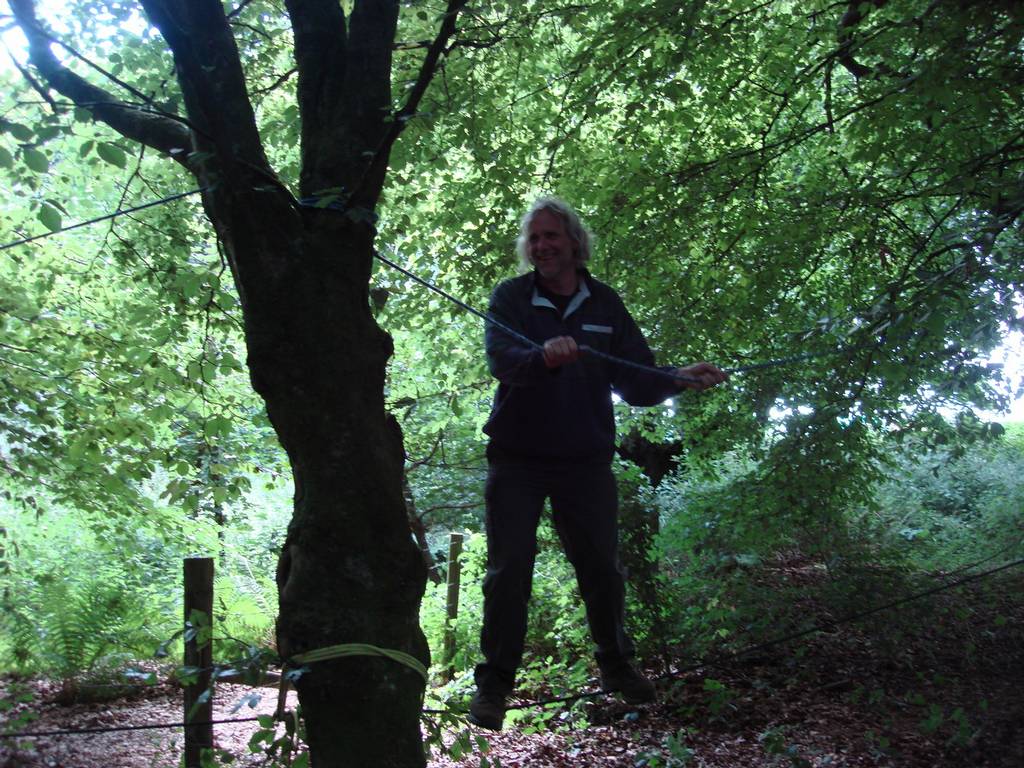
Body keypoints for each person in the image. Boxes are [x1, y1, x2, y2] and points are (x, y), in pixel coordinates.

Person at [468, 196, 727, 731]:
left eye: (551, 237)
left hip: (584, 460)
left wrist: (680, 377)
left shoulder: (604, 305)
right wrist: (543, 357)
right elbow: (503, 363)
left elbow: (635, 379)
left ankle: (617, 667)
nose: (541, 246)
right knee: (508, 571)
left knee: (602, 571)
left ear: (573, 243)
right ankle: (494, 687)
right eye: (534, 238)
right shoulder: (512, 298)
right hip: (517, 459)